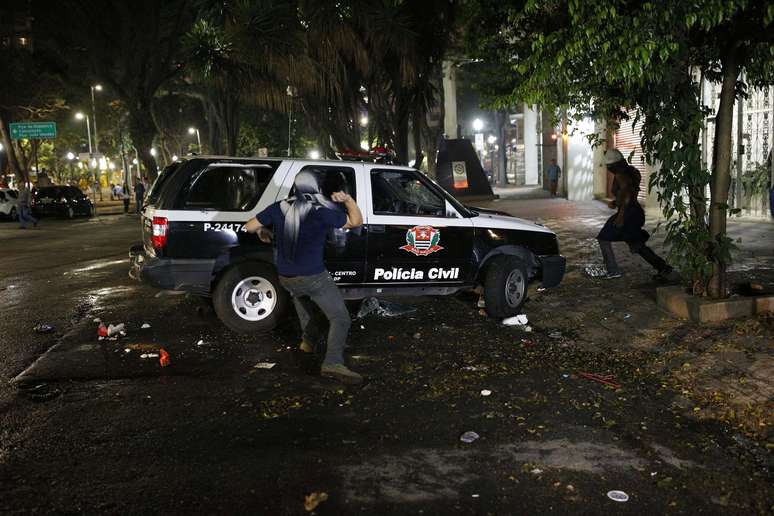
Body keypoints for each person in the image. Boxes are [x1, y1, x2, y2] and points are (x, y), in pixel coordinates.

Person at [245, 171, 364, 384]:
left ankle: (307, 344)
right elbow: (355, 222)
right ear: (316, 187)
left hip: (285, 277)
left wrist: (262, 230)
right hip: (312, 276)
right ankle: (333, 363)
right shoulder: (320, 210)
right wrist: (348, 200)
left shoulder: (279, 206)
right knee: (340, 318)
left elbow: (250, 226)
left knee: (306, 304)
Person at [597, 148, 675, 281]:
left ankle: (612, 270)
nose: (608, 168)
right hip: (635, 213)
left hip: (627, 214)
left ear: (613, 165)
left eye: (609, 166)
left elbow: (627, 195)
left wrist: (621, 216)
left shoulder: (620, 175)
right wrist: (616, 202)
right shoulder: (632, 171)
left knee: (604, 238)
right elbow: (630, 194)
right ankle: (664, 268)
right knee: (637, 245)